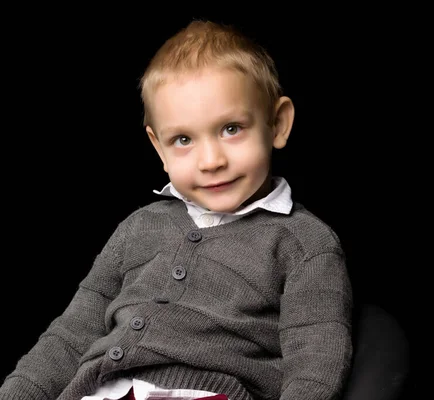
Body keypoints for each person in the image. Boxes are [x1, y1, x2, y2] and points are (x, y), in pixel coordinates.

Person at [0, 19, 353, 400]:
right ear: (159, 149)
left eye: (231, 129)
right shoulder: (140, 227)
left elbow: (316, 357)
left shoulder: (303, 243)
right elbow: (73, 332)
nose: (211, 160)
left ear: (277, 124)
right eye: (183, 139)